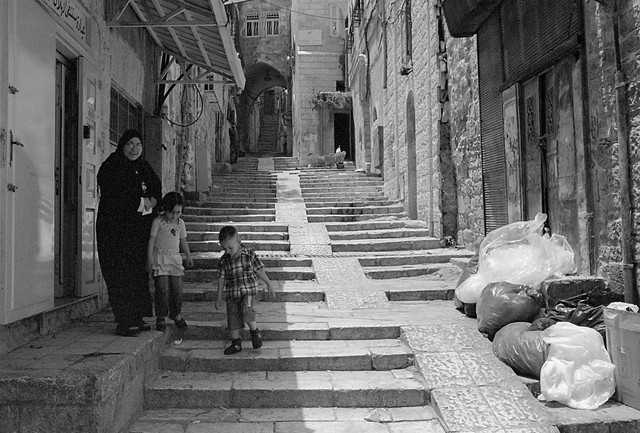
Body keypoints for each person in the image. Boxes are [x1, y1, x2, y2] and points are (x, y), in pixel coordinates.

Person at [97, 129, 162, 337]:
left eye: (138, 145)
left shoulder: (144, 167)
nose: (134, 149)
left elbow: (156, 188)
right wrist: (144, 203)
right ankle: (125, 321)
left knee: (137, 274)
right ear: (122, 145)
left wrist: (153, 202)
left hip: (138, 232)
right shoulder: (112, 166)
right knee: (120, 273)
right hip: (116, 232)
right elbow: (115, 196)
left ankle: (137, 316)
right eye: (130, 144)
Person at [215, 226, 275, 355]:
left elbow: (259, 270)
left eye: (230, 248)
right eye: (224, 249)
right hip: (232, 294)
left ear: (239, 240)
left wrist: (269, 284)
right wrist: (219, 296)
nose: (228, 251)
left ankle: (255, 332)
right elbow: (221, 278)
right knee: (232, 319)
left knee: (247, 311)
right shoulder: (224, 261)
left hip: (248, 292)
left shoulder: (249, 255)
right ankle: (236, 343)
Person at [147, 192, 193, 331]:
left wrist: (188, 256)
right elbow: (151, 240)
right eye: (172, 212)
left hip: (175, 259)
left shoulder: (181, 223)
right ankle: (161, 317)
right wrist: (149, 259)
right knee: (162, 289)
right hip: (160, 259)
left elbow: (183, 240)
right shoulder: (158, 222)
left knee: (177, 289)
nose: (174, 216)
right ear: (165, 209)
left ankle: (176, 314)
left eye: (178, 212)